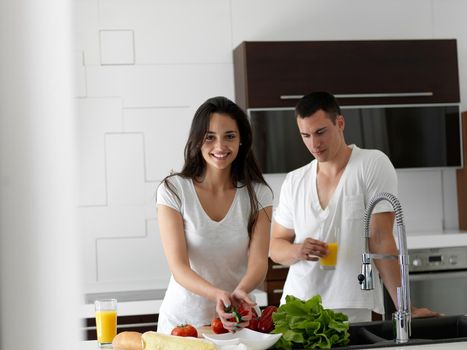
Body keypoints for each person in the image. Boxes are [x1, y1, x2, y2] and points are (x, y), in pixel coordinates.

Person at [269, 91, 439, 322]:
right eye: (305, 135)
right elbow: (275, 246)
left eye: (320, 132)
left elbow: (380, 238)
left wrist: (406, 307)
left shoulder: (371, 164)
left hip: (350, 304)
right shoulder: (294, 180)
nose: (314, 144)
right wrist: (296, 250)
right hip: (297, 305)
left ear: (340, 123)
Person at [156, 96, 273, 334]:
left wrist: (241, 291)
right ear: (197, 141)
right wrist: (218, 294)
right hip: (184, 323)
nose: (220, 147)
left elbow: (259, 261)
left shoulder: (258, 193)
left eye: (229, 136)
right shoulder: (173, 190)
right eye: (210, 137)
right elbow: (179, 267)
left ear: (242, 140)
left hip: (239, 321)